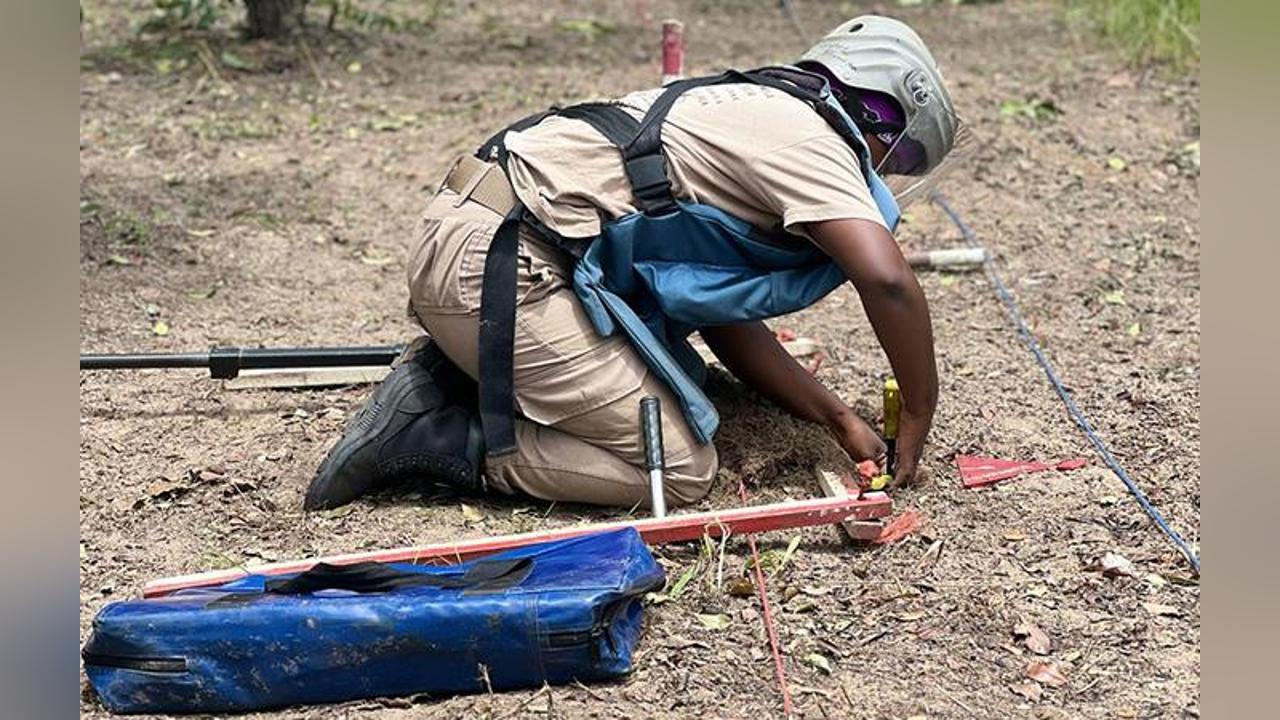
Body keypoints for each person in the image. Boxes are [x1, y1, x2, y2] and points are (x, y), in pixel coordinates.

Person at [304, 15, 960, 511]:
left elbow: (724, 321)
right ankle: (445, 434)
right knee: (678, 470)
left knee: (690, 387)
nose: (881, 174)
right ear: (879, 111)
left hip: (489, 240)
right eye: (896, 158)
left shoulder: (750, 108)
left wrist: (840, 418)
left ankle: (474, 370)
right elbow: (887, 279)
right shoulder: (813, 137)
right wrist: (921, 409)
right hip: (501, 267)